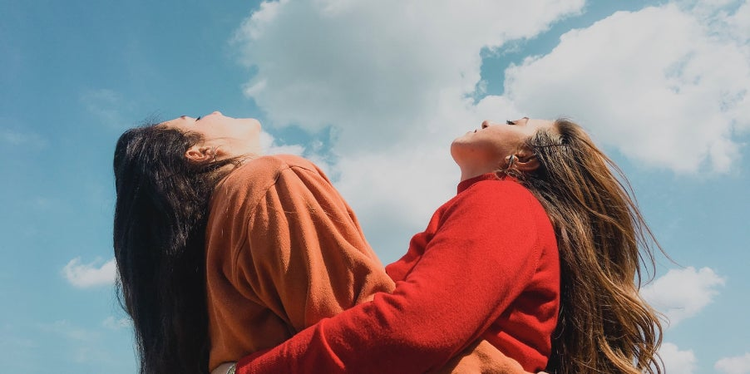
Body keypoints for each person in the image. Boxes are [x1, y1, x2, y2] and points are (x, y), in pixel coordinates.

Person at [219, 118, 665, 374]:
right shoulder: (493, 206)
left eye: (513, 122)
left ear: (526, 158)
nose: (490, 119)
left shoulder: (503, 199)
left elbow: (415, 326)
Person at [112, 111, 535, 374]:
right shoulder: (271, 178)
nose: (216, 110)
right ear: (199, 154)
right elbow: (368, 329)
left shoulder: (211, 234)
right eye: (197, 118)